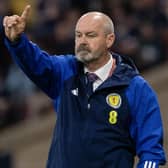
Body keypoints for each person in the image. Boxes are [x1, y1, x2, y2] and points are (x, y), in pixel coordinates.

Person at [2, 5, 166, 168]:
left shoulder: (135, 87)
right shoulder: (66, 71)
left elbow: (151, 152)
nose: (82, 42)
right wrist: (17, 42)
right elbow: (36, 63)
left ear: (110, 39)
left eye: (90, 35)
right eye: (78, 36)